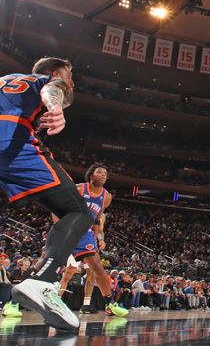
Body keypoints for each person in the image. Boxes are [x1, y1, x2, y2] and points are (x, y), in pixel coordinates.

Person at [1, 57, 93, 331]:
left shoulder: (7, 80)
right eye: (70, 76)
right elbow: (53, 89)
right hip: (9, 139)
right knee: (77, 211)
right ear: (55, 72)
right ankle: (40, 281)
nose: (72, 83)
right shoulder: (46, 81)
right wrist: (56, 106)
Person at [55, 163, 128, 317]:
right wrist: (59, 226)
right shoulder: (80, 188)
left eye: (105, 174)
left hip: (86, 233)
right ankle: (14, 301)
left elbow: (97, 220)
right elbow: (58, 205)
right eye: (100, 172)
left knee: (97, 268)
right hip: (69, 227)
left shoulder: (106, 197)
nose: (103, 175)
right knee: (48, 263)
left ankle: (110, 304)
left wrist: (98, 237)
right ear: (91, 175)